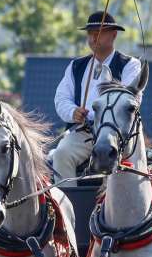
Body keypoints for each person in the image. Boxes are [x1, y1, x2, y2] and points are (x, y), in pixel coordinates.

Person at [48, 11, 142, 178]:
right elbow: (61, 98)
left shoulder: (130, 65)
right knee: (61, 153)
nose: (93, 38)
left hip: (117, 132)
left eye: (98, 33)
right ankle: (66, 202)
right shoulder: (76, 66)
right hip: (84, 133)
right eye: (90, 34)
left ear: (113, 35)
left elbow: (130, 99)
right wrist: (73, 112)